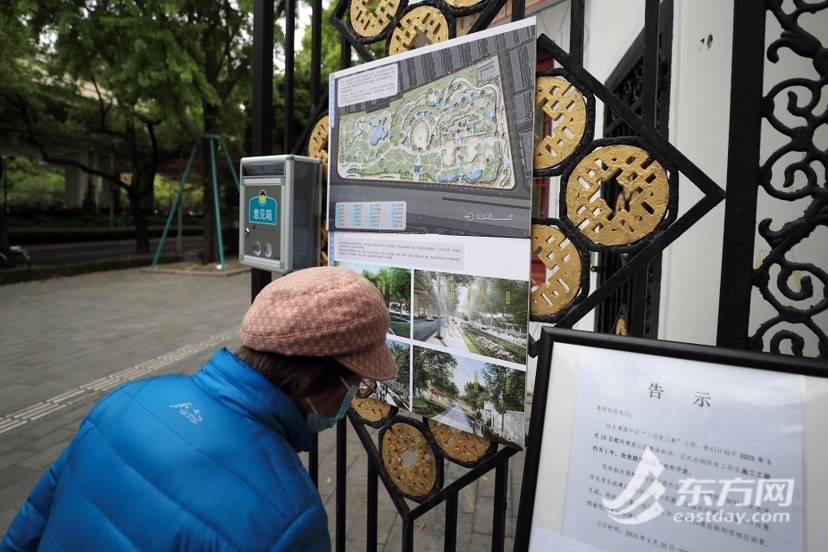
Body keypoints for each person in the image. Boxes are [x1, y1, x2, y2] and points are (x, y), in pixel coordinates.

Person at [1, 266, 398, 551]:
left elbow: (30, 525)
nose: (354, 395)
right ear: (311, 378)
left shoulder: (125, 399)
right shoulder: (289, 519)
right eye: (356, 383)